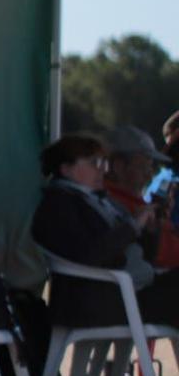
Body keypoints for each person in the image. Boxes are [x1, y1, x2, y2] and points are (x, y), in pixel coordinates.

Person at [30, 133, 179, 328]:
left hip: (124, 293)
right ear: (66, 169)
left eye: (104, 163)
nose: (103, 170)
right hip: (98, 302)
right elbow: (91, 253)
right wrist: (133, 225)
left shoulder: (100, 201)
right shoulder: (58, 205)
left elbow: (144, 257)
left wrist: (150, 230)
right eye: (94, 163)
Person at [100, 125, 179, 269]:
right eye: (144, 166)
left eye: (150, 167)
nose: (149, 175)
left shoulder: (130, 201)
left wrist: (162, 219)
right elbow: (162, 254)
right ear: (118, 167)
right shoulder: (115, 205)